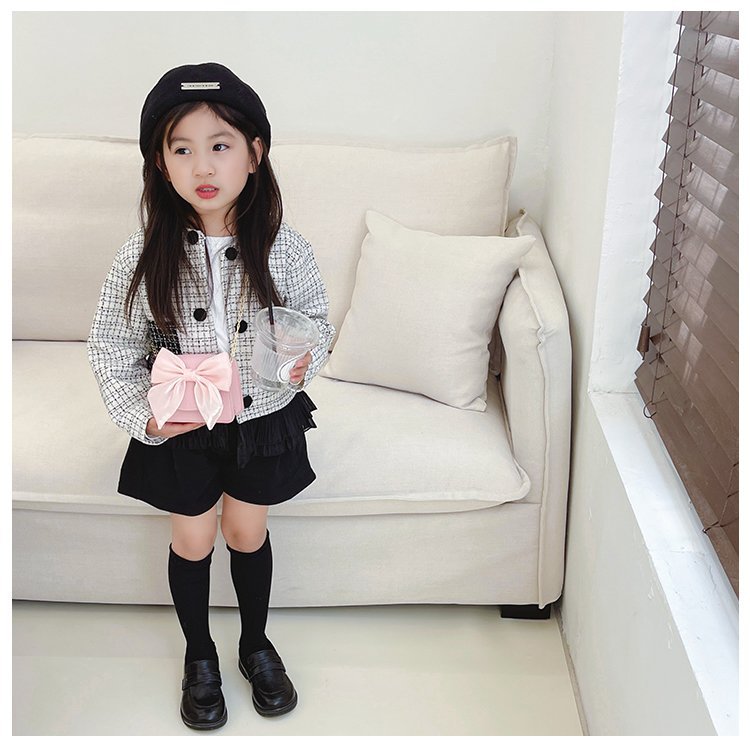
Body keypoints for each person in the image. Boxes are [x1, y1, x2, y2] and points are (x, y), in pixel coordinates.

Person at [88, 62, 335, 731]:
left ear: (255, 153)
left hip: (262, 419)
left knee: (246, 531)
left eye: (220, 145)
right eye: (181, 148)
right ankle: (199, 654)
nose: (203, 165)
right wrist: (143, 416)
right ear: (159, 162)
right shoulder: (142, 256)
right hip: (184, 425)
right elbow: (111, 345)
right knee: (193, 538)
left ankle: (255, 643)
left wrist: (298, 360)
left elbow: (316, 322)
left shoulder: (285, 248)